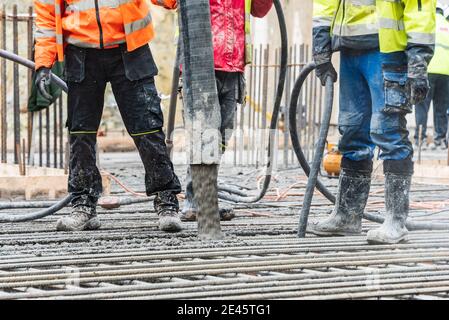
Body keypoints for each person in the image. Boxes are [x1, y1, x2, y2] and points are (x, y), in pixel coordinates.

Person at [34, 0, 183, 232]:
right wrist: (43, 64)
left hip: (130, 49)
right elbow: (46, 19)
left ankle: (167, 200)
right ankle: (83, 203)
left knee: (147, 127)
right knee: (80, 132)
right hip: (81, 53)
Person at [309, 0, 435, 244]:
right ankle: (347, 215)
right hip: (349, 50)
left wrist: (418, 58)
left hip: (387, 51)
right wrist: (321, 42)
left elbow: (420, 6)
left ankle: (395, 222)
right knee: (351, 132)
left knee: (388, 131)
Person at [179, 0, 274, 222]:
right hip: (200, 65)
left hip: (233, 66)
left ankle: (205, 199)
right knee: (203, 136)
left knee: (220, 138)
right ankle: (195, 201)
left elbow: (260, 10)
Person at [414, 3, 449, 151]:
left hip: (428, 70)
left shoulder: (428, 22)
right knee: (441, 109)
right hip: (446, 73)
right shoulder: (447, 25)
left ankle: (420, 140)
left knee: (422, 106)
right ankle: (440, 140)